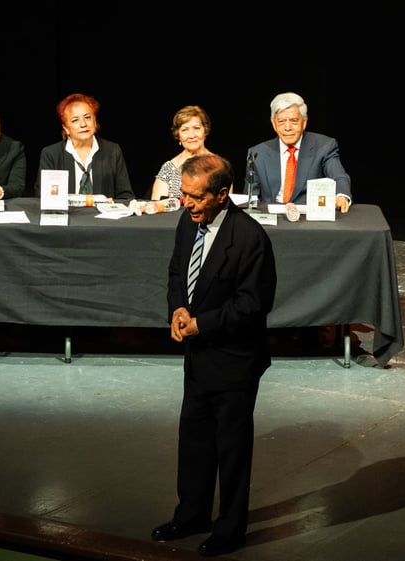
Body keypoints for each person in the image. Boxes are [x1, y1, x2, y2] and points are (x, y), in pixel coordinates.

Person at [152, 154, 277, 557]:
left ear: (223, 194)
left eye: (196, 196)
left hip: (234, 360)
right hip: (198, 357)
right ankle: (191, 514)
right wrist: (178, 309)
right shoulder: (187, 222)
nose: (187, 203)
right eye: (184, 195)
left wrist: (201, 323)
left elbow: (252, 304)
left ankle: (230, 528)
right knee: (194, 440)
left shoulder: (249, 238)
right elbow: (177, 273)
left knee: (232, 449)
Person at [245, 91, 351, 212]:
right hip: (271, 218)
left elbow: (339, 176)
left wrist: (341, 196)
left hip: (308, 217)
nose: (288, 127)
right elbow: (251, 197)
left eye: (294, 121)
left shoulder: (324, 146)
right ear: (273, 123)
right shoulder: (258, 153)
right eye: (281, 121)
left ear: (304, 122)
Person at [34, 93, 135, 200]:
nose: (83, 124)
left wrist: (113, 206)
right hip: (70, 215)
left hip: (104, 215)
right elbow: (42, 195)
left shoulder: (112, 150)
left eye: (87, 117)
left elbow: (126, 195)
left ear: (95, 121)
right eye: (75, 120)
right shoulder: (51, 154)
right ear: (66, 128)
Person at [150, 105, 213, 200]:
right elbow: (157, 206)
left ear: (205, 130)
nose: (191, 135)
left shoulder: (219, 166)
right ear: (178, 135)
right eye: (185, 130)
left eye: (196, 128)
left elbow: (224, 207)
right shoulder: (169, 168)